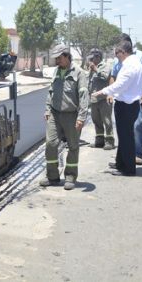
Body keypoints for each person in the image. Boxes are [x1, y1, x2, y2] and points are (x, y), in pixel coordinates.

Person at [92, 41, 142, 175]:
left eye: (117, 53)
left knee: (126, 137)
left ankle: (128, 169)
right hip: (128, 103)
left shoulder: (130, 65)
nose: (116, 56)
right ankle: (121, 163)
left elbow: (120, 85)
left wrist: (103, 91)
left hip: (126, 105)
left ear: (124, 52)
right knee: (124, 136)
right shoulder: (132, 63)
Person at [41, 44, 89, 190]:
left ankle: (70, 176)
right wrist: (47, 109)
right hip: (55, 114)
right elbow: (51, 92)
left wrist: (81, 117)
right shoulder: (56, 71)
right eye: (55, 59)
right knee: (51, 144)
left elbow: (83, 96)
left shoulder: (79, 73)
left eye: (59, 58)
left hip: (72, 116)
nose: (57, 61)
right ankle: (52, 176)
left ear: (67, 57)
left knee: (73, 146)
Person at [109, 33, 142, 163]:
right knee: (122, 129)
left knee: (137, 124)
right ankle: (124, 157)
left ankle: (137, 154)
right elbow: (113, 76)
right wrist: (110, 93)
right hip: (122, 100)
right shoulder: (118, 58)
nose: (117, 51)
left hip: (136, 98)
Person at [87, 48, 114, 149]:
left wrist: (96, 69)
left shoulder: (105, 66)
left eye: (93, 58)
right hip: (94, 98)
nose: (91, 60)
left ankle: (110, 141)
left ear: (98, 57)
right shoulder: (91, 67)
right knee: (96, 120)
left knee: (107, 120)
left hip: (103, 98)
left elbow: (106, 77)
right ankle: (99, 141)